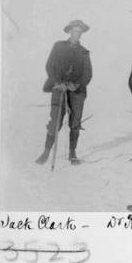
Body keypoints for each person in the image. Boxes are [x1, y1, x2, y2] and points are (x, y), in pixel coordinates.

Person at [36, 20, 93, 166]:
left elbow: (88, 74)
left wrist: (77, 84)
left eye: (79, 31)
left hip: (76, 91)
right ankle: (46, 152)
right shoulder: (58, 46)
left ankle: (72, 153)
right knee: (55, 121)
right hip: (59, 87)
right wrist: (57, 82)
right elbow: (50, 66)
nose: (77, 34)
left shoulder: (84, 52)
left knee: (75, 122)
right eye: (75, 30)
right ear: (69, 31)